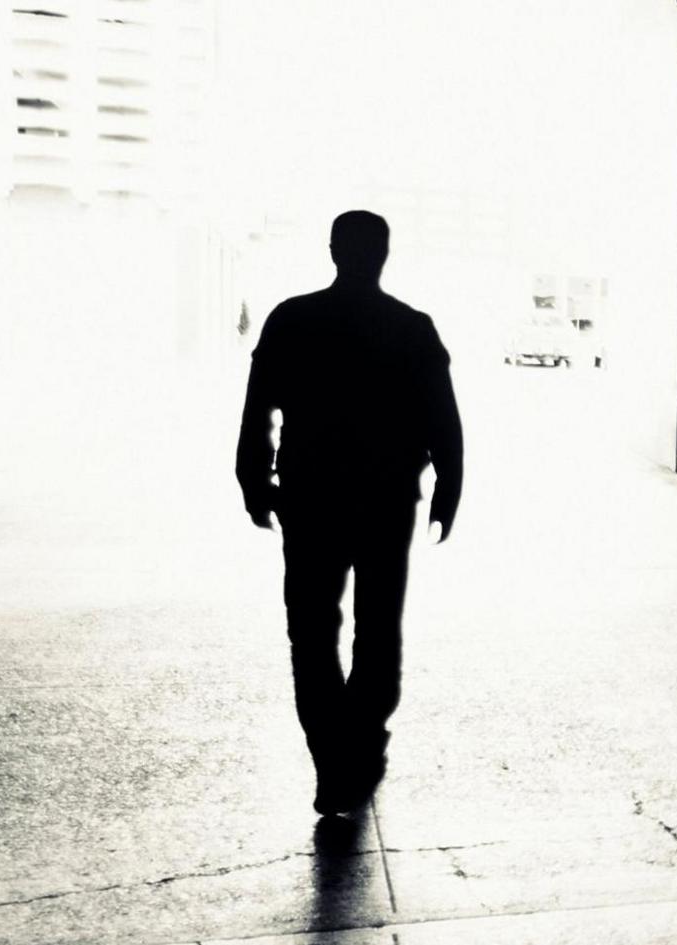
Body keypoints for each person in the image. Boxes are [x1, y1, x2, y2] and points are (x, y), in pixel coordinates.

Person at [235, 210, 463, 815]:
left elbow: (259, 408)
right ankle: (359, 749)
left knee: (311, 633)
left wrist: (252, 477)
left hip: (312, 500)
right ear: (383, 253)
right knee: (377, 630)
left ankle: (332, 760)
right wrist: (449, 486)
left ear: (333, 250)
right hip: (387, 501)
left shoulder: (293, 319)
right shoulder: (411, 327)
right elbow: (443, 418)